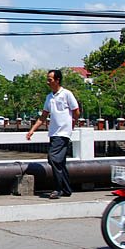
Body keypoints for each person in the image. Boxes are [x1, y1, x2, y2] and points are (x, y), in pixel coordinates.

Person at [26, 69, 80, 199]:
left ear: (57, 80)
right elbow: (43, 117)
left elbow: (76, 111)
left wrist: (72, 123)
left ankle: (58, 188)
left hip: (63, 132)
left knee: (53, 158)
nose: (48, 82)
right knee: (59, 162)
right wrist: (32, 130)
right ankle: (66, 189)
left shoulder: (67, 94)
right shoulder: (49, 97)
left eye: (50, 80)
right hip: (53, 132)